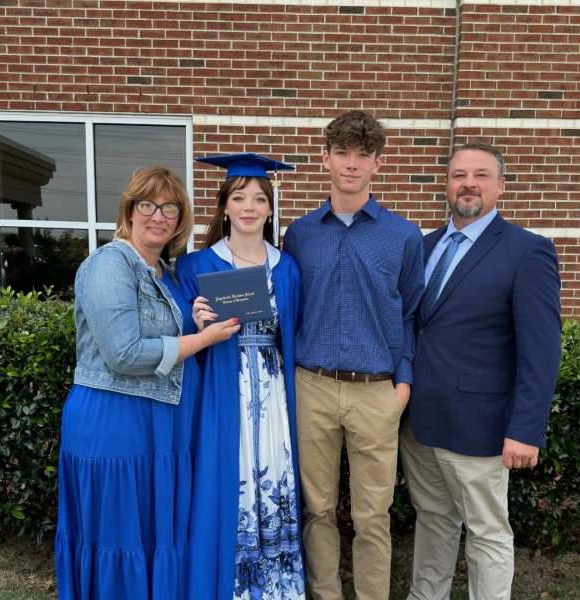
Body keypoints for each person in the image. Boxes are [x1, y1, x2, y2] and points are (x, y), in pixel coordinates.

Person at [55, 167, 240, 600]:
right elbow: (124, 353)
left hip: (163, 428)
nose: (158, 216)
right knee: (121, 536)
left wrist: (195, 323)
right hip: (117, 425)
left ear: (180, 218)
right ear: (130, 209)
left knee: (154, 533)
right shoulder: (108, 264)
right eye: (148, 205)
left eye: (170, 208)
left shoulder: (167, 272)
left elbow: (169, 336)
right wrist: (202, 338)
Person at [400, 142, 562, 600]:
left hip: (481, 424)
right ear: (446, 185)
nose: (468, 183)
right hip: (420, 422)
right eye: (458, 175)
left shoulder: (528, 251)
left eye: (481, 175)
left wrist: (526, 429)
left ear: (500, 187)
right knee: (432, 519)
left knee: (487, 531)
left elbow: (542, 349)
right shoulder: (424, 245)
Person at [282, 111, 425, 600]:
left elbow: (408, 313)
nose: (351, 164)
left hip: (376, 392)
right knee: (317, 508)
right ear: (325, 157)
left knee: (372, 515)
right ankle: (324, 594)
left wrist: (402, 381)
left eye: (363, 155)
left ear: (378, 164)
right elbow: (290, 308)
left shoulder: (403, 236)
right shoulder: (300, 235)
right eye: (342, 152)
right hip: (312, 385)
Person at [176, 153, 306, 600]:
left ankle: (274, 586)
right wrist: (194, 320)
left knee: (275, 475)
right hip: (220, 390)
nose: (249, 207)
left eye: (258, 199)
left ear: (270, 210)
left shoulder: (286, 268)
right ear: (225, 206)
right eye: (239, 197)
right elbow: (177, 341)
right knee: (224, 478)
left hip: (273, 391)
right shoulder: (195, 267)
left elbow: (294, 333)